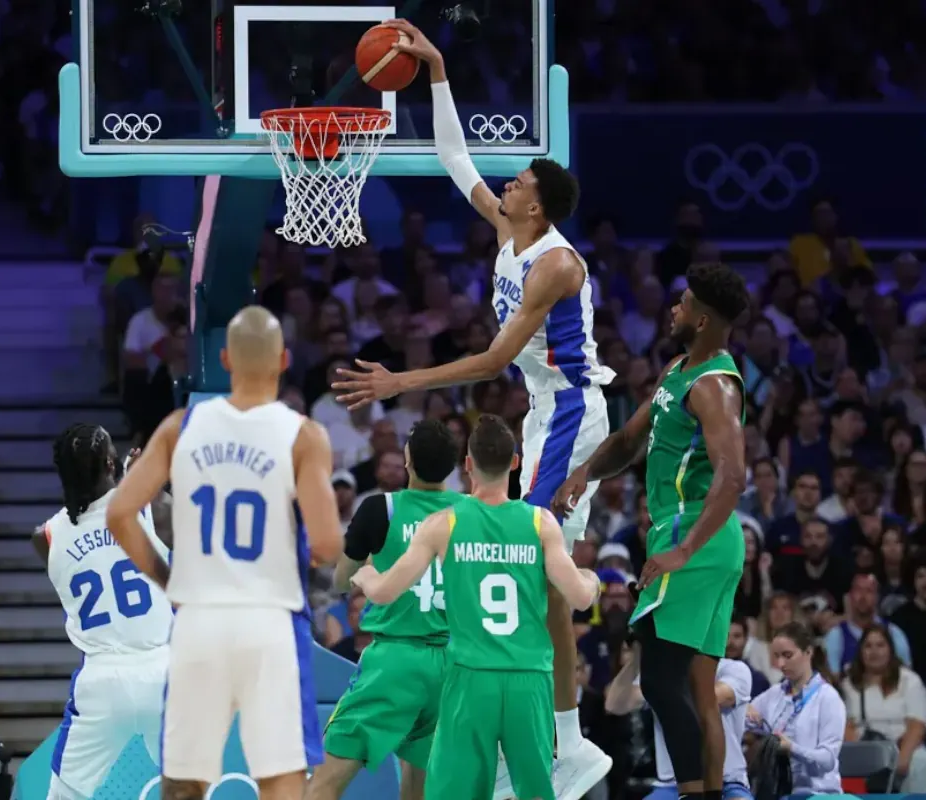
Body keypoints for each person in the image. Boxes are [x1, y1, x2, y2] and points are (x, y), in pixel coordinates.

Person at [333, 20, 615, 798]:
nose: (508, 184)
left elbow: (492, 360)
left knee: (533, 557)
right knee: (540, 566)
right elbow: (452, 157)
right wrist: (439, 71)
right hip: (541, 410)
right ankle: (564, 735)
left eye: (519, 182)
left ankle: (563, 736)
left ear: (538, 205)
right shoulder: (510, 230)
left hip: (569, 413)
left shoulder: (555, 263)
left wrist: (399, 383)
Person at [106, 306, 343, 800]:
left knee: (185, 783)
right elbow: (326, 545)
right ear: (283, 360)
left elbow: (120, 514)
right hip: (269, 622)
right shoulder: (303, 435)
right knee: (279, 782)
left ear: (224, 359)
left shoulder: (179, 427)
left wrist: (167, 578)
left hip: (199, 620)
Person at [556, 261, 749, 800]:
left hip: (694, 533)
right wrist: (585, 472)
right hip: (703, 537)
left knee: (662, 682)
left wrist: (685, 549)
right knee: (698, 692)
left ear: (704, 319)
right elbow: (628, 440)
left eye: (684, 303)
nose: (674, 309)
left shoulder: (715, 386)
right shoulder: (679, 369)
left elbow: (733, 474)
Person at [350, 414, 601, 800]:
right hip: (528, 679)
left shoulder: (443, 523)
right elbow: (581, 598)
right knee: (536, 792)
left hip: (470, 679)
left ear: (467, 464)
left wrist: (364, 575)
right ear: (515, 462)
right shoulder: (540, 523)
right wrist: (593, 579)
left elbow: (384, 592)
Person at [306, 420, 462, 800]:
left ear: (407, 459)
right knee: (420, 786)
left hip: (395, 662)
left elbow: (343, 579)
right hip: (455, 665)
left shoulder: (382, 509)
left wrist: (373, 566)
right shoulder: (474, 514)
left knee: (325, 781)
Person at [34, 423, 174, 800]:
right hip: (163, 672)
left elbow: (94, 531)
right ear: (111, 463)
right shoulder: (150, 506)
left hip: (101, 680)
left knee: (64, 796)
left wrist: (124, 477)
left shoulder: (44, 537)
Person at [603, 640, 754, 800]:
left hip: (727, 782)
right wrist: (636, 659)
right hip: (671, 785)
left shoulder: (734, 669)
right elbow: (613, 705)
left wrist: (660, 688)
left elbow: (712, 698)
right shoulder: (661, 673)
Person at [746, 622, 845, 794]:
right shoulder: (774, 694)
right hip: (778, 793)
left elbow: (828, 759)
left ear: (808, 652)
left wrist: (792, 748)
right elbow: (740, 720)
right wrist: (742, 708)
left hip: (818, 793)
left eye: (787, 655)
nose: (781, 664)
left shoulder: (828, 698)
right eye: (776, 656)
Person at [840, 625, 926, 792]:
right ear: (861, 652)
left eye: (880, 645)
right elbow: (846, 726)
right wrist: (864, 757)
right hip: (866, 749)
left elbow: (917, 726)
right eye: (868, 646)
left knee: (922, 761)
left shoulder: (909, 680)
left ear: (890, 650)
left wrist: (903, 758)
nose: (874, 651)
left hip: (903, 745)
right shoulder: (849, 684)